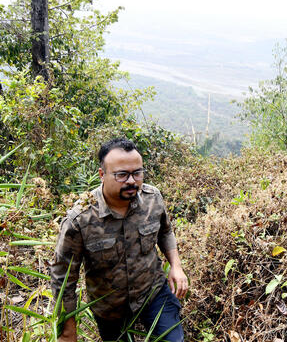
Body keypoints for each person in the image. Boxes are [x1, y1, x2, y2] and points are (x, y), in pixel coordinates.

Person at [51, 138, 188, 342]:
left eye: (137, 173)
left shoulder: (152, 199)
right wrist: (68, 330)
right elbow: (63, 278)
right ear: (102, 175)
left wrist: (176, 266)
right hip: (109, 308)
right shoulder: (80, 220)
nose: (132, 181)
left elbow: (165, 232)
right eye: (122, 175)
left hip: (152, 293)